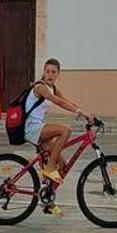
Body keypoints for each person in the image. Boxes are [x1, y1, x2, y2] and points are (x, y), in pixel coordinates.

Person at [25, 58, 94, 198]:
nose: (50, 74)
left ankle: (47, 196)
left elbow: (66, 101)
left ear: (58, 74)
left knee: (63, 165)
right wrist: (80, 113)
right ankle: (49, 168)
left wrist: (85, 113)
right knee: (65, 130)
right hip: (31, 128)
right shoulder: (40, 87)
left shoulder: (53, 88)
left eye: (53, 72)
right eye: (47, 71)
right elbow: (57, 101)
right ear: (43, 72)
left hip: (39, 128)